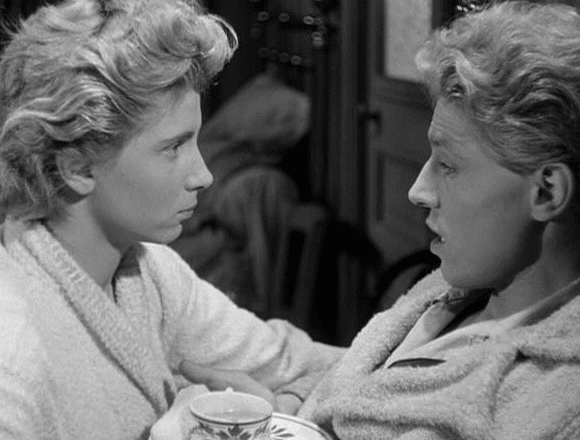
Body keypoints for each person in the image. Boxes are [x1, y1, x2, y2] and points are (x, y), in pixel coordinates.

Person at [0, 0, 344, 439]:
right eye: (174, 147)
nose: (203, 175)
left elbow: (295, 362)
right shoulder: (13, 354)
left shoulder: (150, 273)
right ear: (78, 166)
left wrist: (284, 404)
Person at [298, 2, 580, 439]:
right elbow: (352, 391)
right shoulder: (448, 292)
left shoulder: (555, 405)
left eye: (447, 165)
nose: (419, 191)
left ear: (546, 192)